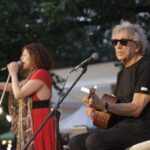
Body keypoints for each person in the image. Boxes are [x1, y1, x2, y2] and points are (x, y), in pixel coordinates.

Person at [69, 21, 150, 150]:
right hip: (123, 126)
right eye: (114, 42)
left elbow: (136, 108)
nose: (118, 46)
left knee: (94, 141)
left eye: (123, 42)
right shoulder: (122, 73)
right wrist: (95, 109)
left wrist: (103, 105)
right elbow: (111, 108)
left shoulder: (146, 66)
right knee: (75, 142)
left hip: (142, 127)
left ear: (137, 47)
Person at [0, 43, 56, 150]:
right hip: (34, 119)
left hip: (40, 119)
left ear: (35, 57)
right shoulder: (32, 76)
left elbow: (18, 93)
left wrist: (13, 74)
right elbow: (14, 87)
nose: (21, 58)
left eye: (24, 55)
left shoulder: (41, 73)